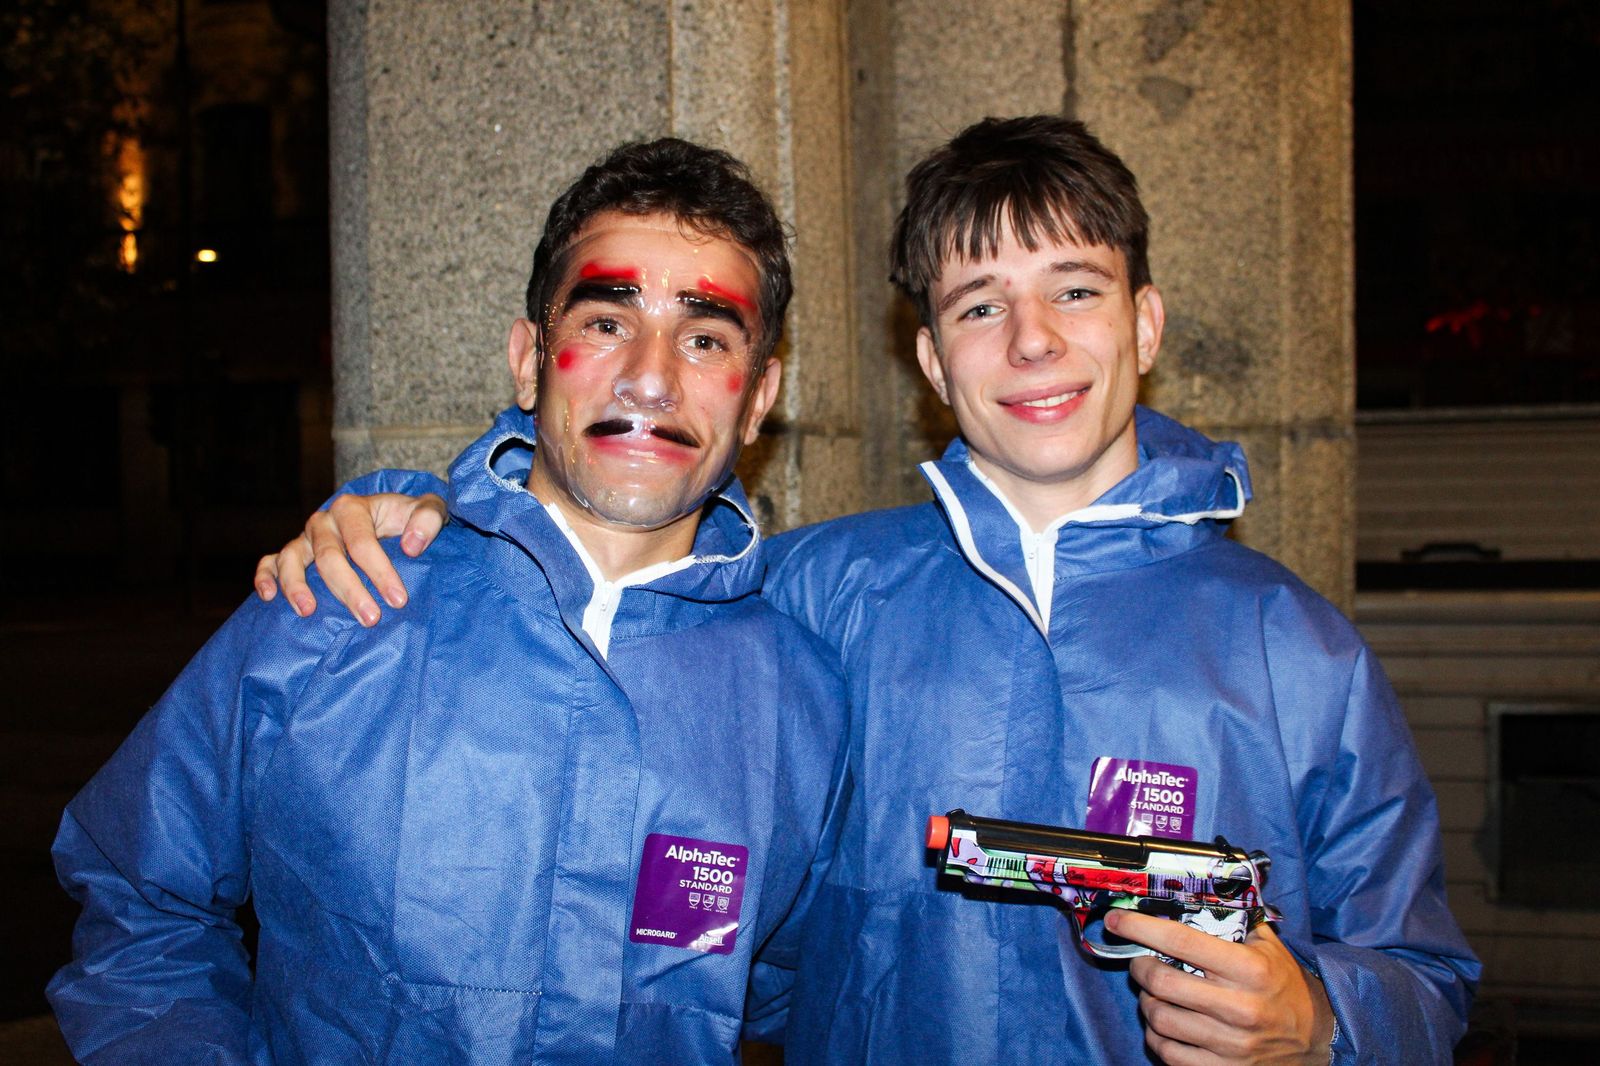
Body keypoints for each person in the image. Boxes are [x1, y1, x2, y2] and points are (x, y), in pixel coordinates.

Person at [254, 116, 1479, 1063]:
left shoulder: (1293, 645)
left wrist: (1323, 1019)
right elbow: (606, 574)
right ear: (932, 360)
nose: (1034, 341)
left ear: (1144, 323)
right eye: (980, 305)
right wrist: (420, 512)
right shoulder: (819, 594)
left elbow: (1428, 970)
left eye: (1076, 290)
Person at [48, 137, 849, 1065]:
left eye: (707, 338)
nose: (652, 376)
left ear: (759, 400)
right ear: (528, 360)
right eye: (605, 322)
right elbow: (138, 896)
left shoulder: (805, 705)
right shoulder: (336, 607)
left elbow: (810, 994)